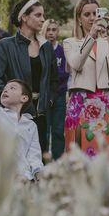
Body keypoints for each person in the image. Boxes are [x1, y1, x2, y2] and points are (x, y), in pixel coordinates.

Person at [0, 0, 58, 155]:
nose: (42, 19)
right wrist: (9, 103)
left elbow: (54, 79)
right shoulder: (5, 45)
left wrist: (49, 99)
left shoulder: (46, 46)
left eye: (43, 15)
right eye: (38, 15)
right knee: (13, 159)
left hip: (40, 113)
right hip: (13, 114)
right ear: (24, 17)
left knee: (38, 159)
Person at [63, 0, 109, 157]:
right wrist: (91, 36)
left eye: (95, 13)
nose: (91, 18)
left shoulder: (106, 41)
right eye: (86, 14)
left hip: (104, 101)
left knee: (104, 151)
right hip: (80, 101)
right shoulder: (69, 42)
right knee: (79, 150)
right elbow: (76, 64)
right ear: (79, 19)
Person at [0, 80, 43, 180]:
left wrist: (38, 174)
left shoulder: (31, 125)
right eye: (4, 88)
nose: (5, 90)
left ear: (24, 98)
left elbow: (34, 156)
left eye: (12, 88)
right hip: (0, 179)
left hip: (25, 178)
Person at [41, 19, 68, 161]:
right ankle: (43, 161)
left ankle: (58, 161)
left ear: (57, 32)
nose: (51, 33)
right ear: (43, 31)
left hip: (59, 94)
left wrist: (54, 74)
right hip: (44, 95)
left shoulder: (62, 50)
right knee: (44, 130)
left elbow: (65, 72)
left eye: (54, 30)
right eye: (48, 29)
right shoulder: (40, 49)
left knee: (58, 130)